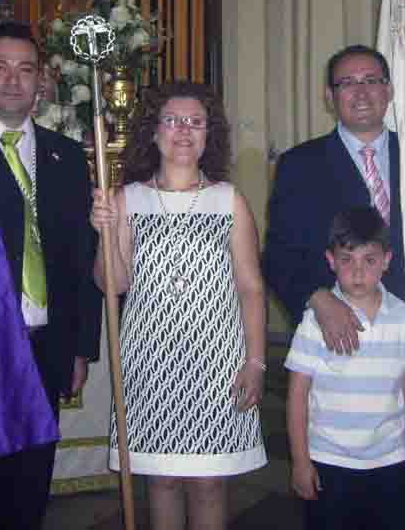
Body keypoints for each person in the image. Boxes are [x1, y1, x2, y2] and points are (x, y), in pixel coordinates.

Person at [264, 43, 405, 528]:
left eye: (371, 81)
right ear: (329, 96)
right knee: (335, 498)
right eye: (347, 83)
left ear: (388, 90)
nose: (360, 92)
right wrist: (319, 298)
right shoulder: (302, 165)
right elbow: (278, 254)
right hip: (338, 345)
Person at [90, 81, 267, 529]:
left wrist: (257, 362)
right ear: (154, 131)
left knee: (209, 482)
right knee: (162, 481)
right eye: (172, 120)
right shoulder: (128, 199)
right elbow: (113, 283)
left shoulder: (229, 200)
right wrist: (105, 232)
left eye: (195, 122)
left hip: (216, 361)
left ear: (209, 135)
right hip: (150, 360)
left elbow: (251, 288)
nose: (183, 130)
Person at [0, 21, 101, 529]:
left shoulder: (65, 157)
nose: (13, 81)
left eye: (26, 70)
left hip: (44, 344)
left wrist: (80, 346)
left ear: (42, 79)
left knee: (32, 477)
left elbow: (82, 257)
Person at [285, 207, 405, 530]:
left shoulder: (403, 318)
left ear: (387, 260)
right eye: (347, 260)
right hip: (330, 461)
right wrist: (301, 461)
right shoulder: (315, 323)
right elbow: (297, 395)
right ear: (331, 261)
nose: (358, 272)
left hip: (390, 460)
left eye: (369, 260)